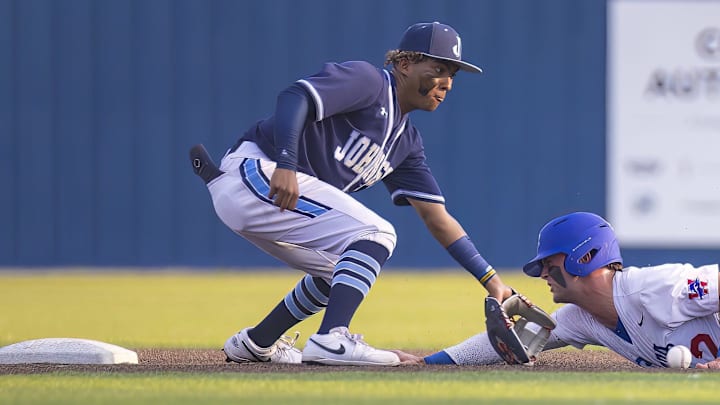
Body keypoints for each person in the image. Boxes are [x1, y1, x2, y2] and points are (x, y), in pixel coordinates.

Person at [193, 22, 513, 366]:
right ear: (404, 64)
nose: (447, 82)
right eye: (438, 68)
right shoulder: (371, 82)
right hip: (256, 173)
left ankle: (256, 343)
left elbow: (437, 219)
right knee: (376, 233)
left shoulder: (406, 143)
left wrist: (493, 282)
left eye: (452, 74)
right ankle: (332, 339)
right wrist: (287, 161)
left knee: (342, 269)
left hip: (270, 192)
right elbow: (295, 96)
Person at [394, 211, 720, 369]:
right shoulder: (579, 318)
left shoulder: (657, 288)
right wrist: (428, 363)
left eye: (550, 264)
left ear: (586, 256)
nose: (544, 275)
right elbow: (510, 341)